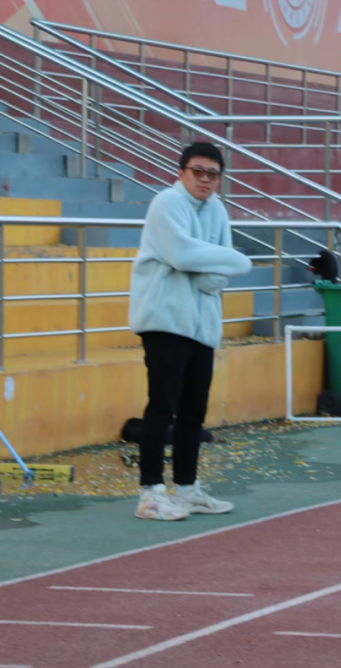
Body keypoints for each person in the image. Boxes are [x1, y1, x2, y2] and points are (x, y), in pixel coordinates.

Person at [128, 142, 253, 521]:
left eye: (213, 174)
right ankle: (150, 493)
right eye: (197, 171)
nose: (205, 179)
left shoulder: (218, 210)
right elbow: (182, 254)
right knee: (161, 407)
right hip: (165, 320)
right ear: (181, 172)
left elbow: (216, 276)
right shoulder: (166, 203)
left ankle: (186, 487)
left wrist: (214, 264)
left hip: (203, 326)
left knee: (193, 412)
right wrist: (233, 259)